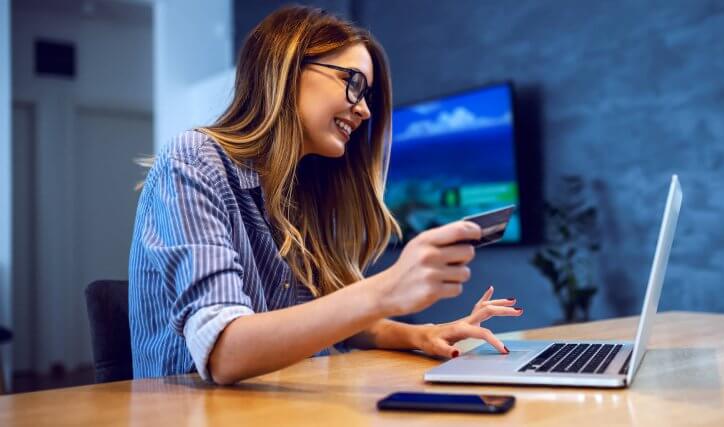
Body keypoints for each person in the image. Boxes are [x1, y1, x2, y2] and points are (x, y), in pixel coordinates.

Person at [128, 5, 523, 385]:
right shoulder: (194, 161)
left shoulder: (304, 189)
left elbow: (326, 319)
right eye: (353, 83)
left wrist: (422, 335)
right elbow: (224, 353)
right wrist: (386, 289)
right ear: (286, 69)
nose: (365, 110)